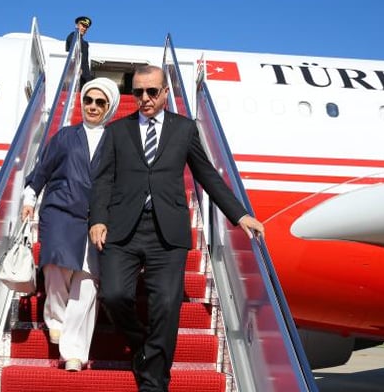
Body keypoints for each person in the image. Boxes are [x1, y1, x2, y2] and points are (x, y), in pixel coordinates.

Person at [89, 65, 264, 391]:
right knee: (113, 295)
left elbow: (207, 174)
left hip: (167, 233)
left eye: (151, 92)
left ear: (165, 93)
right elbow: (102, 181)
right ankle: (142, 345)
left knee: (167, 307)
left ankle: (154, 383)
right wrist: (98, 219)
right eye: (138, 92)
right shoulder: (117, 131)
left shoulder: (184, 130)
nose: (144, 98)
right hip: (123, 228)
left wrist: (239, 215)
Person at [21, 77, 120, 372]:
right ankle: (54, 318)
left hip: (98, 219)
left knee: (88, 283)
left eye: (99, 102)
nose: (92, 106)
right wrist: (29, 197)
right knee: (56, 267)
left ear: (110, 107)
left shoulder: (116, 141)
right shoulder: (65, 136)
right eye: (88, 100)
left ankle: (74, 353)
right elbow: (42, 171)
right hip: (61, 211)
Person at [65, 16, 92, 89]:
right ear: (77, 25)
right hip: (76, 74)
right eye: (82, 26)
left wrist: (88, 78)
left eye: (86, 27)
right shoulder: (73, 37)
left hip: (84, 76)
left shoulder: (85, 43)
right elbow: (72, 55)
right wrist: (76, 68)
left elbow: (85, 62)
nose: (84, 28)